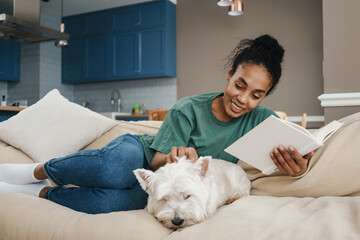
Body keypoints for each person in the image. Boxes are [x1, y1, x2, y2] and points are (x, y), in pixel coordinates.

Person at [0, 34, 313, 214]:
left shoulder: (264, 121)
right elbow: (156, 160)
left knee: (118, 200)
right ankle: (36, 172)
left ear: (265, 96)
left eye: (256, 94)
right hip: (142, 154)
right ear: (229, 73)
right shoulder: (188, 108)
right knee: (113, 170)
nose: (243, 99)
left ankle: (39, 193)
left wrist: (299, 163)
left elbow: (301, 144)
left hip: (172, 186)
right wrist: (177, 158)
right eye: (240, 85)